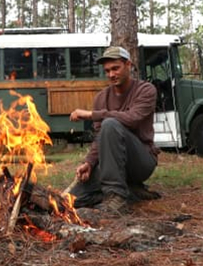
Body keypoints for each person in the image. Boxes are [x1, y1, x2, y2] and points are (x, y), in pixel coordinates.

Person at [68, 45, 160, 214]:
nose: (111, 74)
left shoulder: (145, 90)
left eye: (116, 68)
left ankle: (116, 197)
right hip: (113, 164)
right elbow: (99, 138)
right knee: (74, 198)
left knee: (110, 124)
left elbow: (132, 119)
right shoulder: (101, 97)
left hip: (141, 161)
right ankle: (130, 191)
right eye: (107, 70)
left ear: (128, 65)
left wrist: (91, 114)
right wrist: (89, 162)